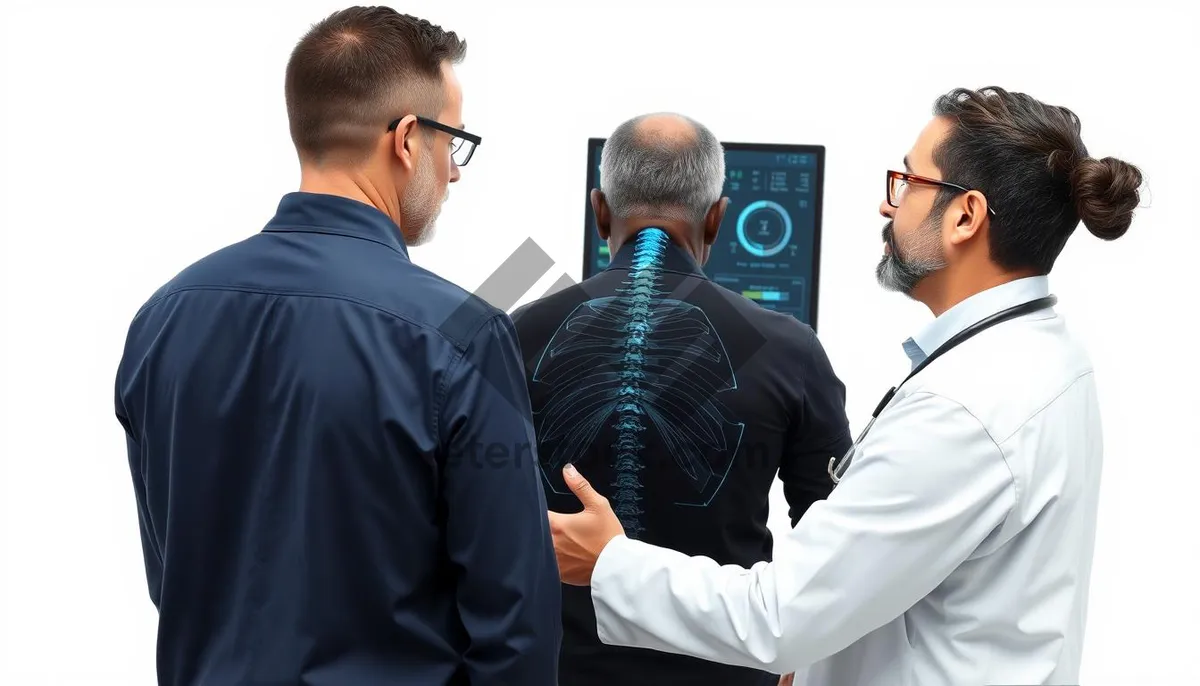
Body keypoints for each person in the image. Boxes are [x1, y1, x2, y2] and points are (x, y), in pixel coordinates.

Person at [548, 86, 1143, 686]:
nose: (890, 207)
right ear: (716, 218)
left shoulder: (963, 410)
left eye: (908, 182)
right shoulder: (1046, 356)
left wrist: (608, 565)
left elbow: (780, 618)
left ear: (966, 216)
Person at [113, 7, 559, 685]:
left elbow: (176, 581)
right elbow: (515, 631)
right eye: (453, 142)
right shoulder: (459, 335)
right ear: (408, 139)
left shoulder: (163, 318)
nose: (455, 172)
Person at [509, 112, 852, 686]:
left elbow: (464, 519)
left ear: (599, 212)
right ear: (717, 220)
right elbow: (839, 539)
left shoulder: (517, 333)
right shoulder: (790, 347)